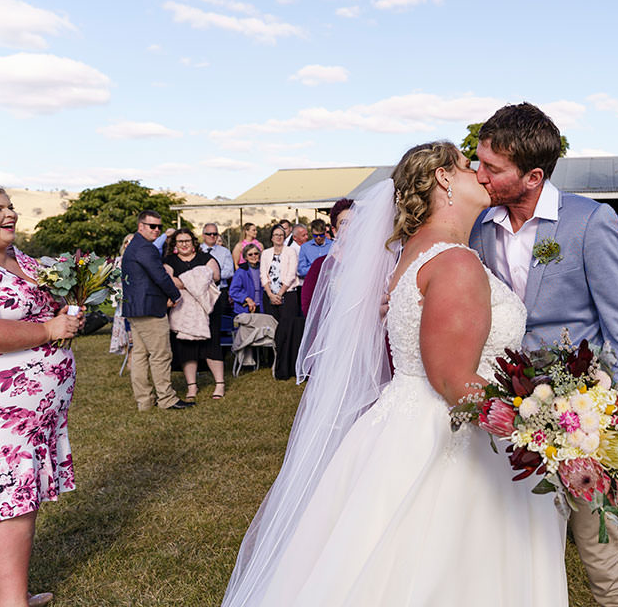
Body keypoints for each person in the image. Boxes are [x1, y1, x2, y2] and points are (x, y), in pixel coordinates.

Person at [222, 141, 567, 607]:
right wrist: (549, 427)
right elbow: (451, 380)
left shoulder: (416, 251)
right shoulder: (456, 261)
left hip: (400, 423)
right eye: (470, 167)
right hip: (449, 433)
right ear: (443, 178)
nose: (482, 176)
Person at [469, 103, 618, 607]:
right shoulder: (481, 225)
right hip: (508, 411)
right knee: (519, 544)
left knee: (600, 549)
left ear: (533, 176)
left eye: (491, 168)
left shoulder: (591, 222)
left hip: (583, 411)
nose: (478, 175)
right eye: (478, 162)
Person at [0, 184, 84, 607]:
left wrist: (66, 313)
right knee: (9, 499)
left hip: (29, 413)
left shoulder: (19, 259)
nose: (10, 214)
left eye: (11, 207)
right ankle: (12, 602)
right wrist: (48, 331)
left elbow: (36, 307)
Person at [122, 210, 195, 411]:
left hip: (136, 308)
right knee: (160, 354)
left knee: (140, 355)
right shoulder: (145, 248)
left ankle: (144, 401)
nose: (156, 230)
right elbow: (160, 276)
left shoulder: (135, 246)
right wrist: (176, 295)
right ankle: (166, 399)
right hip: (149, 308)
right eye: (152, 226)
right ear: (141, 226)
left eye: (159, 227)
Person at [164, 228, 224, 400]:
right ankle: (192, 386)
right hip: (184, 311)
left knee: (212, 346)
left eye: (187, 241)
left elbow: (215, 275)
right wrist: (196, 279)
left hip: (208, 309)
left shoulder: (206, 258)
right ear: (175, 244)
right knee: (186, 348)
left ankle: (219, 384)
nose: (184, 244)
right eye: (180, 241)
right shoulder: (169, 260)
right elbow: (167, 279)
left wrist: (183, 281)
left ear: (193, 243)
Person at [300, 199, 353, 317]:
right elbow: (308, 304)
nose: (351, 227)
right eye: (344, 223)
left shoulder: (369, 264)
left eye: (355, 222)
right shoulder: (320, 265)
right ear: (334, 230)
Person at [260, 224, 300, 379]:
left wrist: (280, 294)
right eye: (275, 235)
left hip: (288, 294)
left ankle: (287, 367)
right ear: (271, 237)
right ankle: (273, 363)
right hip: (269, 295)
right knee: (273, 329)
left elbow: (291, 274)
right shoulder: (266, 253)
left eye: (281, 235)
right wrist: (270, 294)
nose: (278, 237)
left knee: (286, 330)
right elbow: (264, 274)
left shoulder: (290, 252)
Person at [109, 232, 136, 355]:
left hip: (136, 298)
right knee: (125, 330)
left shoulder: (139, 260)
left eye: (132, 241)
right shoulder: (118, 261)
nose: (129, 244)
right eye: (127, 241)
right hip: (122, 300)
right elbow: (114, 281)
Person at [230, 244, 263, 314]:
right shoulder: (241, 271)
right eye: (250, 254)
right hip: (245, 309)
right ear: (245, 257)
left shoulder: (263, 268)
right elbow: (233, 291)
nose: (253, 256)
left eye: (256, 253)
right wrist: (247, 299)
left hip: (261, 308)